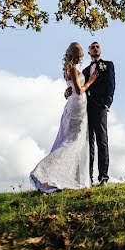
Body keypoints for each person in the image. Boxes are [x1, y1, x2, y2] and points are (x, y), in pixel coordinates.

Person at [29, 42, 98, 193]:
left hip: (73, 104)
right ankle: (43, 170)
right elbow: (79, 91)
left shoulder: (67, 70)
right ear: (73, 56)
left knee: (70, 139)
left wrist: (66, 93)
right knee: (73, 141)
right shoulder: (73, 69)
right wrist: (90, 81)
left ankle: (68, 176)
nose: (81, 60)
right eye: (79, 57)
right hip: (78, 106)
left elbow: (70, 90)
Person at [82, 41, 115, 185]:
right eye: (92, 47)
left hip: (101, 107)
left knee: (102, 141)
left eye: (97, 47)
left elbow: (111, 85)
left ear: (100, 50)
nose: (95, 49)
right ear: (88, 52)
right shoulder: (84, 71)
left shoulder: (108, 65)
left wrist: (106, 104)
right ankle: (88, 177)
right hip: (86, 108)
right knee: (89, 142)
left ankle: (103, 177)